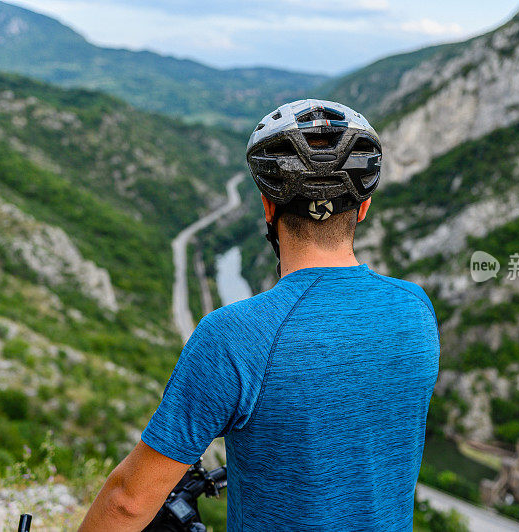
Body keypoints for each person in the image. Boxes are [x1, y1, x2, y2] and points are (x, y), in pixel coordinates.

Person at [79, 99, 440, 531]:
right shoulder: (415, 310)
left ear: (268, 209)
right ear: (362, 208)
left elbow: (127, 503)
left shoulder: (234, 336)